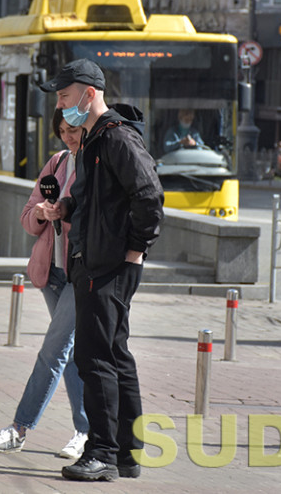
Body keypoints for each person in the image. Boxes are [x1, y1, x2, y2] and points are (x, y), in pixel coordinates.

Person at [40, 59, 165, 481]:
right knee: (115, 355)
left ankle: (102, 452)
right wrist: (66, 207)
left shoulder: (115, 138)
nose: (60, 105)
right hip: (97, 260)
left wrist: (135, 250)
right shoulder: (94, 139)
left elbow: (149, 197)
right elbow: (99, 200)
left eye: (64, 96)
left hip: (107, 265)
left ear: (89, 94)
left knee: (94, 358)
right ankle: (127, 453)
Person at [0, 109, 89, 459]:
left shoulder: (96, 165)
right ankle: (86, 431)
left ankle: (19, 428)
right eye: (62, 131)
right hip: (51, 274)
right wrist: (42, 212)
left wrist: (67, 212)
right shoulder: (57, 163)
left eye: (74, 130)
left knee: (54, 351)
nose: (69, 137)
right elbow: (27, 218)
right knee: (70, 354)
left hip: (81, 273)